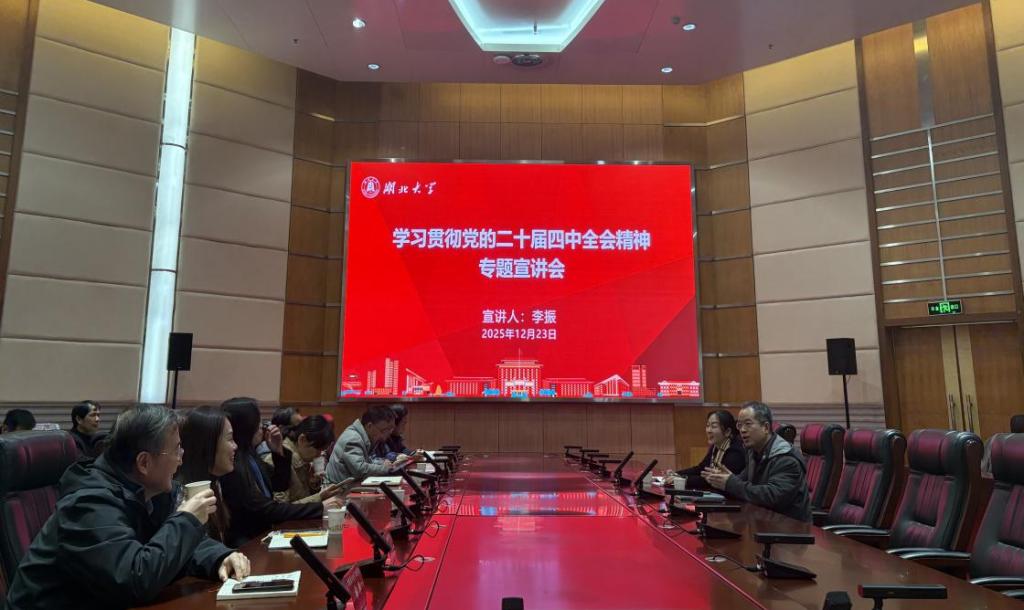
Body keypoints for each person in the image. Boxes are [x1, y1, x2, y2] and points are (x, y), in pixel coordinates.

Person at [4, 405, 250, 610]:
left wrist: (220, 557)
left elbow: (176, 547)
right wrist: (186, 519)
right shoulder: (90, 502)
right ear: (144, 462)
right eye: (176, 449)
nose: (181, 457)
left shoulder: (152, 491)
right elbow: (134, 579)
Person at [218, 397, 342, 547]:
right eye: (258, 423)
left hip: (264, 533)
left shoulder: (249, 455)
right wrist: (320, 507)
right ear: (246, 427)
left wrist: (278, 452)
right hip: (249, 540)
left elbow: (279, 484)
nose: (263, 427)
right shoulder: (233, 463)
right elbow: (268, 510)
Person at [702, 401, 811, 522]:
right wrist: (722, 480)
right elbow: (742, 483)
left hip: (790, 528)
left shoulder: (786, 459)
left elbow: (772, 497)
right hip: (764, 522)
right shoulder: (754, 453)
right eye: (739, 425)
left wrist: (731, 483)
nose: (742, 430)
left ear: (766, 427)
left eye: (748, 424)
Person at [178, 406, 238, 542]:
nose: (235, 446)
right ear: (207, 444)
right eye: (230, 439)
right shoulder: (182, 493)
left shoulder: (215, 481)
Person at [265, 415, 345, 504]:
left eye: (323, 450)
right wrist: (320, 497)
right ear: (302, 439)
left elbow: (303, 497)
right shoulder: (278, 460)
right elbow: (282, 507)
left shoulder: (302, 459)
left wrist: (313, 484)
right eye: (318, 449)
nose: (319, 454)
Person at [664, 410, 745, 490]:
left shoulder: (735, 452)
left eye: (713, 426)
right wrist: (677, 474)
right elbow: (701, 469)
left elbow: (712, 481)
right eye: (707, 425)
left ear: (727, 431)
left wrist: (683, 479)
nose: (708, 430)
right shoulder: (715, 446)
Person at [326, 405, 402, 485]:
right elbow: (359, 470)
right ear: (369, 426)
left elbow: (366, 463)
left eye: (391, 429)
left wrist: (382, 463)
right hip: (338, 489)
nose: (388, 433)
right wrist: (386, 468)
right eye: (384, 430)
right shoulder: (353, 439)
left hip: (348, 486)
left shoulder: (364, 436)